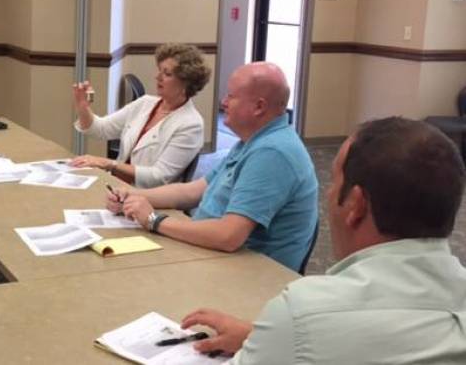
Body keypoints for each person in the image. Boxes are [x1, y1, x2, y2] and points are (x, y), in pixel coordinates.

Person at [181, 117, 466, 364]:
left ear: (355, 205)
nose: (328, 195)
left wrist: (282, 335)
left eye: (333, 182)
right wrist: (262, 339)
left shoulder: (304, 312)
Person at [108, 62, 317, 271]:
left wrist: (154, 220)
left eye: (232, 96)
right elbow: (191, 191)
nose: (224, 102)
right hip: (215, 255)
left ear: (259, 107)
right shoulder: (253, 141)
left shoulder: (272, 153)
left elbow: (229, 236)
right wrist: (134, 196)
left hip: (246, 274)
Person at [71, 43, 209, 188]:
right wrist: (83, 107)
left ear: (186, 83)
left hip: (149, 198)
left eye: (167, 74)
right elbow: (100, 129)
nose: (158, 77)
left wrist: (109, 163)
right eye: (159, 71)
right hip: (116, 187)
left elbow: (159, 176)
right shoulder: (145, 103)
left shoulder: (191, 124)